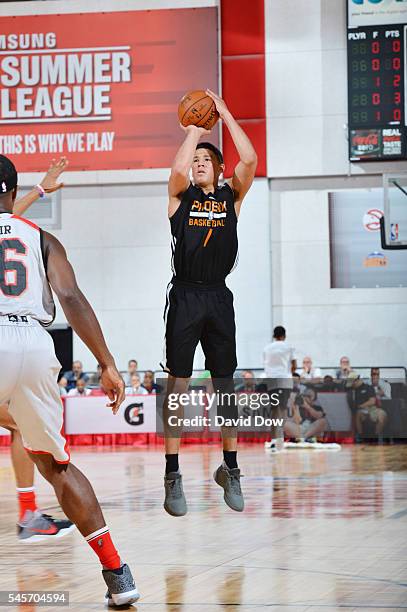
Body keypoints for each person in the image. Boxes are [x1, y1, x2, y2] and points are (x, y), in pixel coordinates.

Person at [0, 155, 139, 606]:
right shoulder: (42, 239)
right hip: (35, 346)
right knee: (57, 466)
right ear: (10, 188)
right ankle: (118, 574)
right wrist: (107, 361)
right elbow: (71, 297)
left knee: (16, 429)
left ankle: (27, 513)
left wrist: (38, 192)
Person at [162, 89, 257, 516]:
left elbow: (250, 161)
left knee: (225, 387)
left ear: (219, 168)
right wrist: (195, 131)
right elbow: (178, 168)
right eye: (196, 160)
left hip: (218, 296)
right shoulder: (180, 198)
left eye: (207, 159)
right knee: (178, 387)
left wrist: (227, 113)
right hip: (184, 295)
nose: (199, 163)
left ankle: (231, 469)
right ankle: (172, 474)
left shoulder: (231, 197)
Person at [0, 157, 76, 541]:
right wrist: (39, 190)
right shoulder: (27, 232)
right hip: (16, 339)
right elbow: (8, 215)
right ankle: (28, 513)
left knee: (16, 421)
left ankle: (29, 512)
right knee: (19, 422)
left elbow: (5, 217)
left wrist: (40, 190)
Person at [263, 326, 296, 452]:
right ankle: (279, 440)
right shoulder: (288, 346)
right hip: (284, 381)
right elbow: (294, 365)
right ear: (284, 335)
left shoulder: (267, 348)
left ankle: (273, 439)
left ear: (274, 335)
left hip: (271, 381)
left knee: (274, 410)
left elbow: (266, 364)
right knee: (281, 410)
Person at [346, 372, 387, 441]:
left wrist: (361, 405)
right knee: (358, 414)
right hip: (359, 411)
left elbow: (372, 401)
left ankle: (377, 435)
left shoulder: (368, 387)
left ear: (356, 381)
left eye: (353, 383)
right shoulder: (351, 391)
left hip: (372, 409)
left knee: (382, 415)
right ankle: (360, 435)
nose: (352, 385)